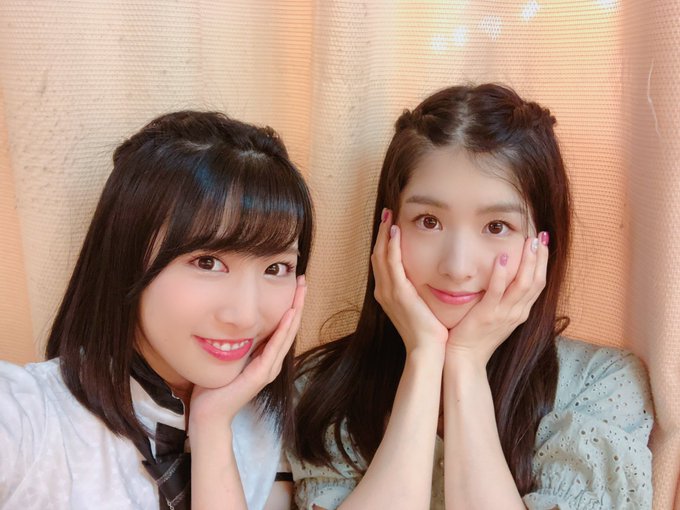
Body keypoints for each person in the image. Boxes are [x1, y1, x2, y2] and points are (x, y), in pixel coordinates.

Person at [289, 84, 653, 509]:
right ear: (389, 230)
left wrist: (464, 362)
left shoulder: (600, 385)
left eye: (497, 226)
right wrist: (424, 358)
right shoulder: (321, 389)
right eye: (428, 221)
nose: (457, 266)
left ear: (542, 242)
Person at [0, 111, 313, 510]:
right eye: (207, 262)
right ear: (126, 258)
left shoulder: (264, 421)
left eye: (276, 268)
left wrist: (211, 427)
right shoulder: (25, 418)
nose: (246, 316)